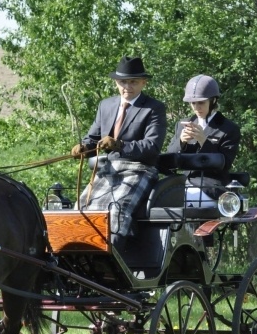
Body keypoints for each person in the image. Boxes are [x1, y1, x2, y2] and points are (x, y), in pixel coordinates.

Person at [71, 56, 167, 248]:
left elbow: (151, 147)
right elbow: (93, 139)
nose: (127, 87)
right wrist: (83, 147)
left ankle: (113, 264)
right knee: (79, 210)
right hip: (107, 170)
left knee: (115, 211)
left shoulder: (154, 108)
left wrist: (119, 145)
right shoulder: (105, 106)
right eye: (123, 82)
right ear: (116, 82)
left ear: (143, 83)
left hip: (139, 169)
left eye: (133, 82)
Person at [166, 74, 241, 207]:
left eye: (201, 102)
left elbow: (225, 163)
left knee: (181, 200)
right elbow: (169, 160)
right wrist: (181, 142)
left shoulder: (228, 128)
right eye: (193, 103)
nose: (196, 108)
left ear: (213, 101)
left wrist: (204, 141)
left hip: (211, 187)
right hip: (181, 184)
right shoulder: (183, 124)